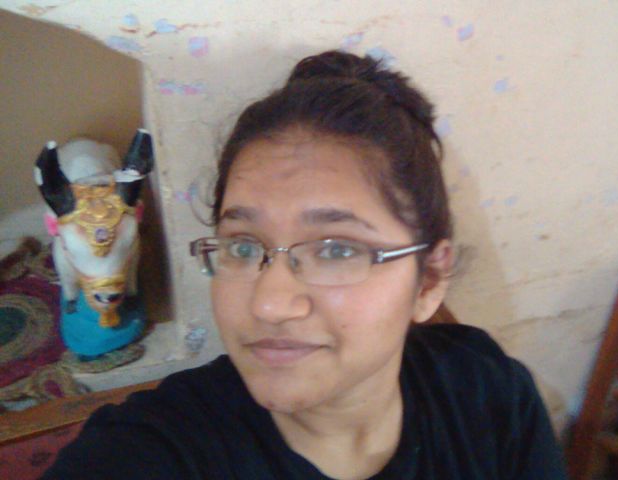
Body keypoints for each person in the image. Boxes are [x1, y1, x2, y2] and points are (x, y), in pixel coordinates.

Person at [42, 50, 567, 479]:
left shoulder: (490, 394)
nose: (269, 305)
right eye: (243, 246)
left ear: (428, 280)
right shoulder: (153, 450)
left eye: (337, 250)